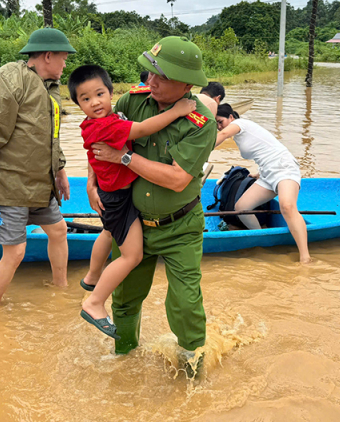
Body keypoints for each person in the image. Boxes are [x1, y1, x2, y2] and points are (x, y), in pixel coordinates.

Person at [88, 36, 217, 374]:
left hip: (180, 227)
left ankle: (192, 371)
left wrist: (125, 157)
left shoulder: (202, 123)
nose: (151, 82)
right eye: (149, 73)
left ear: (187, 83)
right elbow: (98, 134)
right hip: (133, 223)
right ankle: (123, 361)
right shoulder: (133, 101)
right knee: (126, 299)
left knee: (186, 304)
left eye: (162, 76)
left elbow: (177, 180)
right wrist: (91, 180)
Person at [68, 64, 197, 339]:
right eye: (86, 99)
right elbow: (142, 129)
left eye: (100, 94)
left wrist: (93, 183)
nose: (95, 102)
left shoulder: (97, 122)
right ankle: (94, 302)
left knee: (107, 231)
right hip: (118, 198)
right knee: (132, 255)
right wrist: (176, 111)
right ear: (77, 104)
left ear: (111, 92)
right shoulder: (107, 124)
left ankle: (91, 278)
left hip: (112, 194)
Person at [0, 28, 75, 306]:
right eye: (63, 58)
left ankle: (61, 289)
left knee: (58, 231)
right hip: (10, 185)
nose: (65, 64)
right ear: (48, 56)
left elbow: (51, 136)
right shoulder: (10, 79)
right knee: (15, 253)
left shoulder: (50, 87)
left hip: (41, 184)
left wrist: (60, 172)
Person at [214, 104, 311, 263]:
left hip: (283, 168)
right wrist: (258, 173)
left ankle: (305, 258)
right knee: (241, 208)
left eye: (220, 121)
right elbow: (265, 150)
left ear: (231, 117)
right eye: (216, 124)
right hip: (267, 173)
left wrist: (201, 148)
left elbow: (224, 133)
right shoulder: (239, 135)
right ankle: (261, 237)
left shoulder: (240, 125)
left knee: (287, 206)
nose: (219, 127)